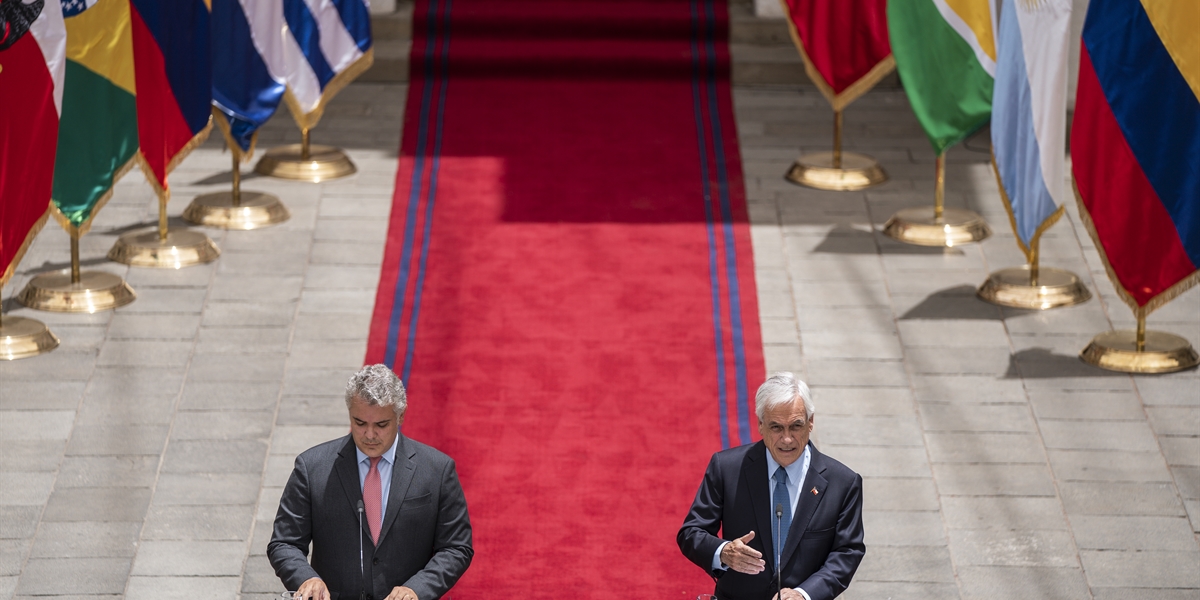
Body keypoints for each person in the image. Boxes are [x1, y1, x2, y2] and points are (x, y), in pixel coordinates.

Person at [269, 364, 473, 600]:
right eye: (360, 423)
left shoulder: (437, 470)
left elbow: (457, 547)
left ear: (401, 415)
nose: (369, 435)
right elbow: (284, 542)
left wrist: (417, 589)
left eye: (381, 425)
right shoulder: (312, 467)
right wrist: (307, 578)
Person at [678, 372, 865, 600]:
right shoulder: (726, 468)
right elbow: (691, 533)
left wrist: (804, 594)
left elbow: (847, 551)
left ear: (811, 422)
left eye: (796, 426)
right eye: (776, 427)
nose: (787, 439)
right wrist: (724, 552)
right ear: (760, 424)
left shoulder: (843, 483)